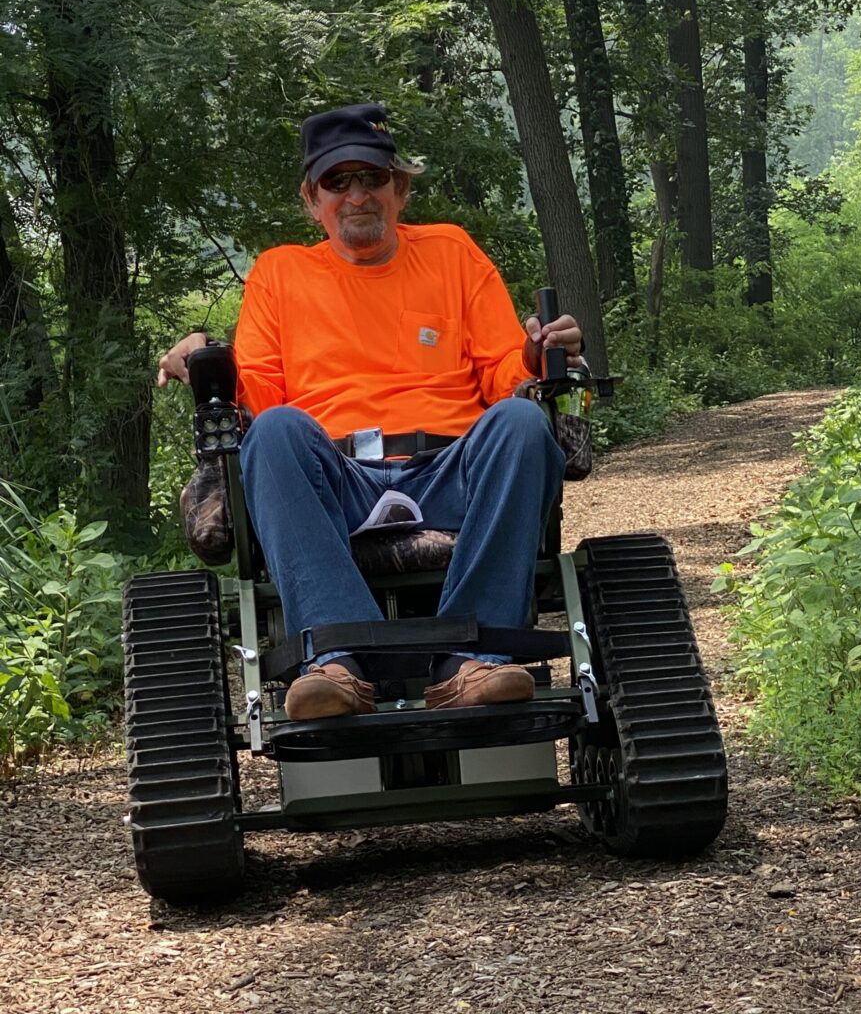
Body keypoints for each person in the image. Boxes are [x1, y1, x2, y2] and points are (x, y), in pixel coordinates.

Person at [158, 103, 584, 721]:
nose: (356, 195)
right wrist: (204, 357)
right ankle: (337, 660)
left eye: (371, 178)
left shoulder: (452, 253)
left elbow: (503, 377)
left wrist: (535, 351)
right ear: (313, 199)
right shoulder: (280, 273)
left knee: (521, 422)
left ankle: (477, 661)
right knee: (274, 431)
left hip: (449, 468)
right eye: (337, 182)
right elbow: (261, 400)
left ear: (399, 188)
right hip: (340, 476)